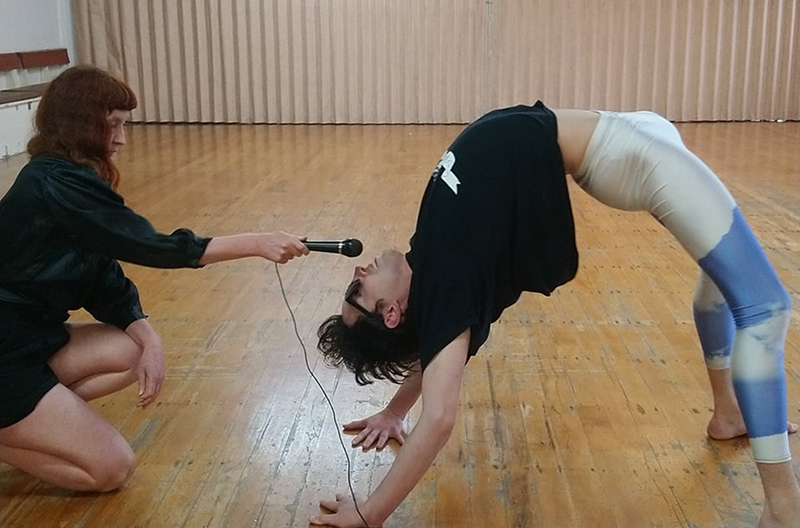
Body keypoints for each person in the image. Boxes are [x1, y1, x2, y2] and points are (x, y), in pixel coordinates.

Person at [311, 102, 799, 528]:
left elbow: (437, 350)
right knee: (765, 308)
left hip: (635, 133)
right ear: (390, 313)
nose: (358, 270)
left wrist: (395, 411)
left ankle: (728, 413)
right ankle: (782, 506)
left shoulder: (430, 267)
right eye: (357, 290)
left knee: (723, 274)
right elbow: (439, 417)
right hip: (634, 156)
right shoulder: (447, 283)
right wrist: (371, 513)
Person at [0, 65, 308, 492]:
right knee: (112, 469)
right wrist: (257, 242)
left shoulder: (69, 178)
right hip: (7, 350)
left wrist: (151, 340)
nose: (122, 139)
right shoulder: (53, 181)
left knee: (134, 350)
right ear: (82, 124)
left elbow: (103, 278)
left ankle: (32, 424)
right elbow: (150, 246)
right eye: (113, 125)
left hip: (31, 338)